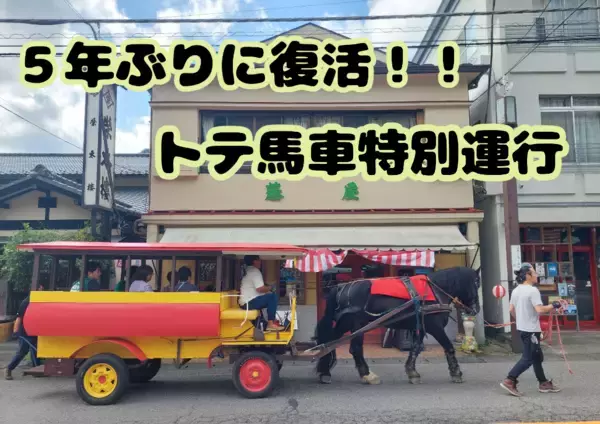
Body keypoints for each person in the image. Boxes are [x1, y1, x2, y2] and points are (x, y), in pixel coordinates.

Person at [500, 263, 562, 397]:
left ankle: (543, 382)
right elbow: (539, 309)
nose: (536, 275)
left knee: (537, 356)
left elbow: (511, 310)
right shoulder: (532, 291)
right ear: (528, 275)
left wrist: (520, 320)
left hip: (522, 328)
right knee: (528, 358)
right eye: (534, 272)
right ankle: (510, 380)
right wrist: (554, 305)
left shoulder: (516, 290)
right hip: (531, 330)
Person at [5, 286, 45, 380]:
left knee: (35, 351)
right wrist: (15, 331)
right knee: (22, 351)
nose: (42, 291)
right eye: (41, 289)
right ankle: (9, 369)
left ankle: (36, 370)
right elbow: (19, 318)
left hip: (34, 330)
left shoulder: (38, 301)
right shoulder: (26, 302)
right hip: (24, 332)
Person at [239, 255, 283, 331]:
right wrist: (270, 288)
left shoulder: (248, 270)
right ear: (254, 261)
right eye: (259, 260)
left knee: (269, 297)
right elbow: (260, 289)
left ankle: (267, 322)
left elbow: (257, 289)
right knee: (272, 297)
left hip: (245, 302)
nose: (260, 262)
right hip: (248, 303)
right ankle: (270, 324)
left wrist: (267, 290)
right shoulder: (255, 272)